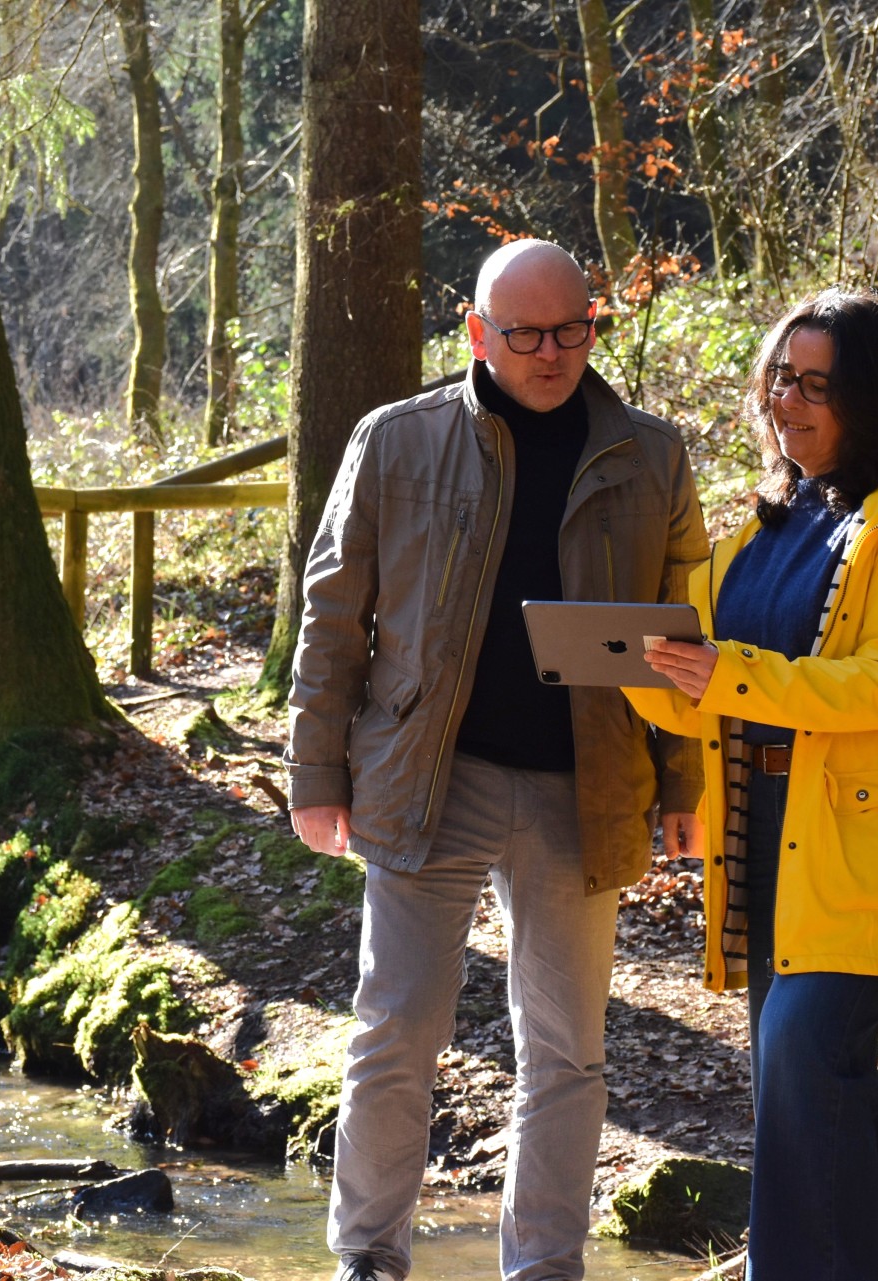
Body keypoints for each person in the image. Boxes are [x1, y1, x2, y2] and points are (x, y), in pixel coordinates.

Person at [285, 238, 710, 1281]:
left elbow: (685, 636)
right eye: (524, 333)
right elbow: (334, 613)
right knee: (396, 1033)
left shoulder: (651, 454)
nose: (552, 352)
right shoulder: (396, 440)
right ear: (476, 332)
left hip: (589, 782)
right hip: (430, 776)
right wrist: (314, 771)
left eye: (573, 329)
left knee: (566, 1053)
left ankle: (545, 1269)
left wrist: (684, 784)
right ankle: (369, 1256)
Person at [630, 289, 878, 1281]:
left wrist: (728, 676)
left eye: (816, 385)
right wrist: (636, 669)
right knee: (826, 1076)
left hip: (863, 847)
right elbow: (702, 689)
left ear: (872, 399)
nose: (789, 403)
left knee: (799, 1059)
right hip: (765, 838)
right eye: (782, 378)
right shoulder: (760, 532)